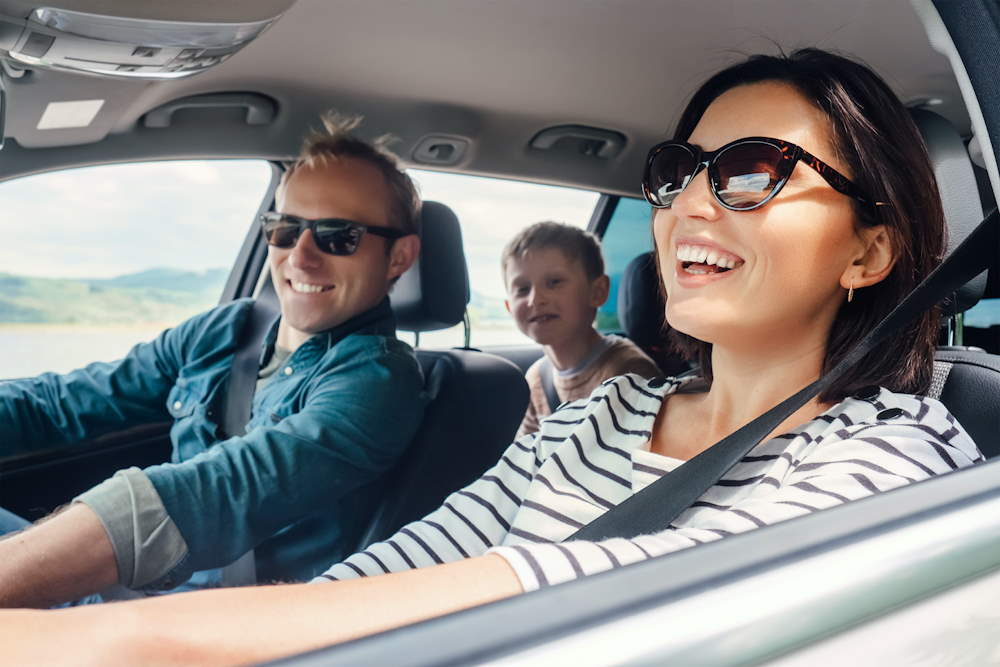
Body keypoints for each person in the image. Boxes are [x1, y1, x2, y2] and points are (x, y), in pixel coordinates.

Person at [0, 48, 985, 664]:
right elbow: (418, 559)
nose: (685, 202)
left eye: (750, 172)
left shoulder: (897, 449)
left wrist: (123, 639)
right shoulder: (600, 416)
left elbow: (623, 583)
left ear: (869, 247)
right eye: (677, 171)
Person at [0, 113, 426, 608]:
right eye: (285, 229)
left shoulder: (378, 381)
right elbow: (61, 403)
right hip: (132, 593)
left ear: (398, 258)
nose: (301, 257)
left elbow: (217, 493)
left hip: (200, 625)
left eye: (338, 236)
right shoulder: (227, 331)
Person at [501, 221, 660, 435]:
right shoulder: (537, 377)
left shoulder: (629, 372)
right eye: (522, 289)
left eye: (554, 282)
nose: (535, 299)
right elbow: (525, 455)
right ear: (509, 307)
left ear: (597, 292)